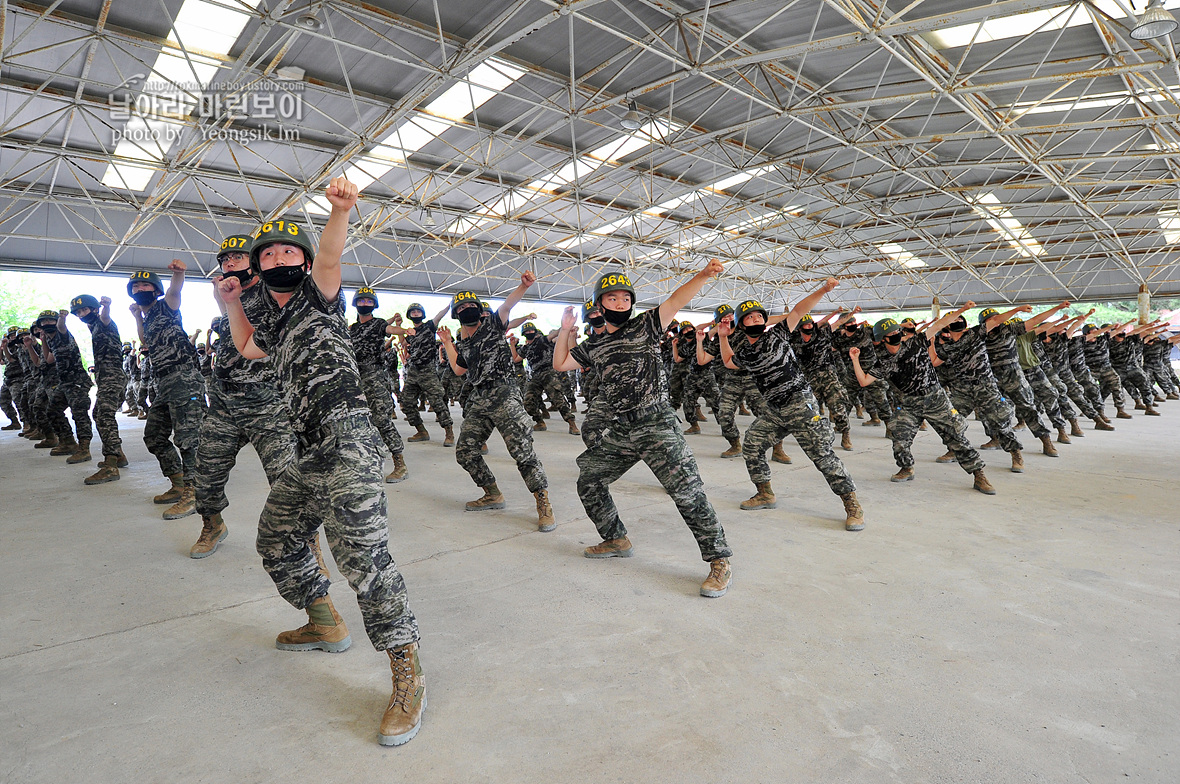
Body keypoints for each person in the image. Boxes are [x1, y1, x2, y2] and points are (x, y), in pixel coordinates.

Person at [217, 177, 424, 746]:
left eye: (289, 251)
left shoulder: (318, 296)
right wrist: (230, 304)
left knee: (365, 562)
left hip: (350, 440)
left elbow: (330, 255)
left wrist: (339, 212)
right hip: (310, 450)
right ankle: (324, 621)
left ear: (301, 261)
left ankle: (407, 676)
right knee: (276, 537)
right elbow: (246, 347)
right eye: (268, 253)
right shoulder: (274, 321)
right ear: (257, 266)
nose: (279, 257)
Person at [553, 262, 733, 598]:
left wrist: (704, 275)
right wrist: (565, 330)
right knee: (589, 478)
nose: (620, 303)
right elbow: (561, 363)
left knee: (687, 493)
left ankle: (719, 561)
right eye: (612, 298)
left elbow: (676, 301)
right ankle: (616, 538)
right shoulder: (593, 345)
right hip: (623, 428)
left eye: (625, 298)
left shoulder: (646, 325)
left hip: (657, 424)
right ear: (599, 303)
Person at [716, 280, 864, 531]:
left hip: (799, 403)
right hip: (774, 409)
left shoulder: (777, 334)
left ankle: (852, 504)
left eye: (758, 316)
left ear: (764, 320)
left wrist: (823, 290)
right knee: (752, 443)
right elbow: (729, 362)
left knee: (821, 455)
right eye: (748, 317)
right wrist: (722, 337)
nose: (754, 319)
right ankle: (765, 493)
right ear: (741, 325)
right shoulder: (747, 352)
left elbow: (797, 311)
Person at [438, 279, 555, 531]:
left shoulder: (492, 324)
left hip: (505, 394)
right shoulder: (464, 343)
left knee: (522, 452)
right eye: (462, 306)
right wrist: (447, 342)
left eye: (471, 304)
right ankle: (492, 493)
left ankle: (543, 502)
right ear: (457, 314)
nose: (467, 308)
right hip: (480, 398)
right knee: (465, 451)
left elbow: (506, 307)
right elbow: (458, 369)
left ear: (479, 309)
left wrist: (523, 287)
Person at [850, 304, 997, 495]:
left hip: (935, 398)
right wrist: (855, 359)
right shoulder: (884, 361)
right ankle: (906, 468)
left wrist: (961, 310)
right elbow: (863, 381)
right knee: (899, 436)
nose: (898, 335)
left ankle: (979, 474)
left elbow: (940, 324)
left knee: (956, 437)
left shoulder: (916, 341)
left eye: (898, 331)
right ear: (882, 339)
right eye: (893, 333)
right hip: (910, 404)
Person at [128, 264, 207, 518]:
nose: (141, 289)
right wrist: (137, 316)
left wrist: (178, 273)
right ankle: (179, 483)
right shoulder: (148, 317)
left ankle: (195, 494)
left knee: (188, 439)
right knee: (154, 436)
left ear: (156, 290)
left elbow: (175, 291)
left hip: (184, 376)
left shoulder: (167, 306)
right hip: (164, 383)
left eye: (146, 285)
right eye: (136, 286)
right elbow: (144, 340)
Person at [349, 286, 411, 481]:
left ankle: (400, 464)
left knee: (382, 421)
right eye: (361, 301)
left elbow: (390, 329)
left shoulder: (378, 324)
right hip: (355, 379)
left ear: (373, 305)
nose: (364, 304)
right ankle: (367, 460)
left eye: (368, 301)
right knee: (356, 422)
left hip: (375, 377)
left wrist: (405, 330)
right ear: (356, 304)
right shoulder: (353, 328)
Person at [67, 294, 130, 483]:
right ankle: (118, 455)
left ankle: (111, 465)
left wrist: (106, 306)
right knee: (99, 414)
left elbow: (105, 317)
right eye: (78, 312)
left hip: (112, 377)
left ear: (94, 309)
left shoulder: (103, 321)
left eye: (84, 310)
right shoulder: (92, 326)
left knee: (103, 415)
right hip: (106, 378)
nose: (81, 314)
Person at [41, 308, 94, 463]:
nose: (47, 323)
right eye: (44, 321)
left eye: (50, 320)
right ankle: (68, 442)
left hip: (77, 380)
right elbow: (48, 359)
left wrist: (62, 318)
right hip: (65, 382)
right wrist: (43, 340)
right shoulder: (51, 339)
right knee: (52, 410)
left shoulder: (62, 334)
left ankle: (84, 449)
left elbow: (62, 327)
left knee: (79, 413)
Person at [399, 302, 455, 445]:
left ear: (422, 314)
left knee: (437, 402)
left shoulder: (429, 326)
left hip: (428, 370)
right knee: (406, 402)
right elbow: (403, 344)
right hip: (413, 371)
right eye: (413, 312)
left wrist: (449, 305)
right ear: (409, 315)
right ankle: (421, 431)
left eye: (418, 311)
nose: (416, 313)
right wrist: (400, 327)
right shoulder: (410, 332)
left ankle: (449, 432)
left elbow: (438, 316)